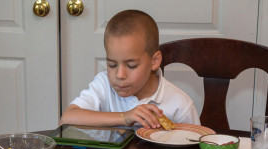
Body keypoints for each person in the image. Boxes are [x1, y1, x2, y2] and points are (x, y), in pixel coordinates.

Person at [60, 9, 200, 129]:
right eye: (112, 65)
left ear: (154, 61)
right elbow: (66, 119)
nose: (120, 75)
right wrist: (124, 117)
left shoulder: (180, 105)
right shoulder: (103, 85)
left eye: (131, 66)